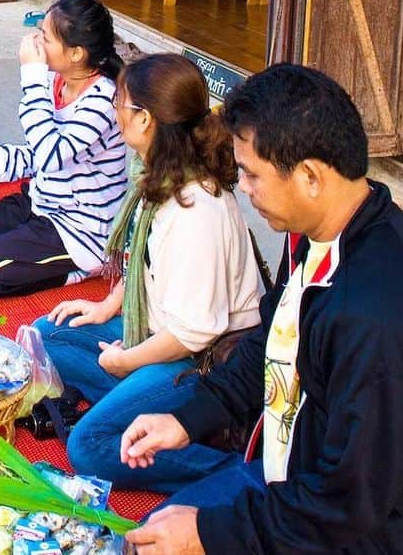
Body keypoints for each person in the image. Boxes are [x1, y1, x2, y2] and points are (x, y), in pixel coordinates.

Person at [118, 64, 403, 555]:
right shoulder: (332, 233)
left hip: (364, 532)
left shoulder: (376, 316)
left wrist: (210, 534)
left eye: (252, 174)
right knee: (152, 531)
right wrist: (188, 419)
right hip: (295, 478)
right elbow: (274, 339)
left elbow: (349, 506)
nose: (244, 188)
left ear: (311, 177)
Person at [36, 53, 262, 480]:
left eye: (119, 102)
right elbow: (145, 261)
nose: (113, 111)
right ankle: (137, 408)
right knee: (46, 337)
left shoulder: (197, 208)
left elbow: (195, 333)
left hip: (197, 363)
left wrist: (128, 361)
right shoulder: (159, 173)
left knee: (89, 446)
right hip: (159, 333)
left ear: (144, 119)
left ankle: (230, 471)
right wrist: (107, 306)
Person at [0, 0, 127, 299]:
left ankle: (77, 271)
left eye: (46, 38)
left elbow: (51, 155)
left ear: (77, 53)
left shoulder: (103, 100)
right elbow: (38, 152)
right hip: (40, 202)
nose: (36, 42)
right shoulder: (56, 82)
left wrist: (32, 77)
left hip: (78, 229)